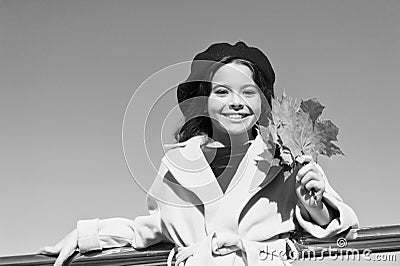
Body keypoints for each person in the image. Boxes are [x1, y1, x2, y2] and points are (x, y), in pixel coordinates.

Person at [39, 41, 359, 266]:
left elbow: (343, 234)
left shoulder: (288, 158)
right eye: (222, 91)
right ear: (204, 100)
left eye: (248, 92)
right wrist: (87, 236)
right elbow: (152, 229)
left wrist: (315, 208)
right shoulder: (177, 165)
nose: (236, 102)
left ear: (263, 102)